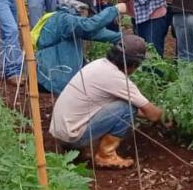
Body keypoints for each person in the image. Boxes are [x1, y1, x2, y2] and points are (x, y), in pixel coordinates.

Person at [50, 35, 163, 169]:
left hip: (61, 133)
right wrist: (166, 116)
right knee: (128, 108)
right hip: (73, 137)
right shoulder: (117, 79)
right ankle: (105, 156)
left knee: (126, 108)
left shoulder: (99, 64)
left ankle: (77, 151)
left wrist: (144, 112)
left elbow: (135, 111)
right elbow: (153, 115)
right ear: (132, 64)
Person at [35, 0, 125, 95]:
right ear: (82, 9)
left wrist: (122, 38)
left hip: (53, 76)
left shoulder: (70, 21)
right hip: (52, 79)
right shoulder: (65, 20)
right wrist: (115, 10)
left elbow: (95, 33)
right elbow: (89, 26)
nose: (88, 17)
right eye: (88, 13)